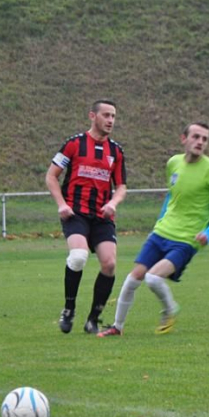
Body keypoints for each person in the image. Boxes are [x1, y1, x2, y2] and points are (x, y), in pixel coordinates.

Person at [98, 122, 209, 337]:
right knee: (132, 279)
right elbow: (171, 196)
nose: (200, 142)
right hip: (161, 232)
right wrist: (159, 223)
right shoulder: (173, 163)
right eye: (196, 137)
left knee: (154, 278)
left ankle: (170, 310)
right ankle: (117, 327)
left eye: (205, 139)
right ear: (183, 139)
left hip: (187, 239)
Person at [46, 99, 127, 335]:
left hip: (102, 216)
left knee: (110, 264)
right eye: (106, 115)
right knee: (79, 256)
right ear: (93, 116)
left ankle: (93, 318)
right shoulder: (74, 144)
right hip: (75, 212)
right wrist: (61, 204)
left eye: (113, 116)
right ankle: (69, 309)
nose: (111, 120)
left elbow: (121, 186)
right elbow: (51, 176)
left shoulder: (116, 151)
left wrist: (113, 202)